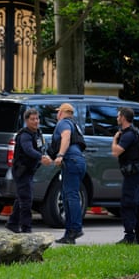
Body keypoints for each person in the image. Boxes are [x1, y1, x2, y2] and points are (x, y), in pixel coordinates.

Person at [6, 109, 52, 233]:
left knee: (22, 197)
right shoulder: (25, 135)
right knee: (26, 199)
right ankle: (26, 229)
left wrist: (48, 155)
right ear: (26, 121)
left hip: (30, 170)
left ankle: (12, 223)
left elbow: (42, 147)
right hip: (22, 171)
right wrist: (41, 158)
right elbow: (28, 150)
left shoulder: (38, 133)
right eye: (33, 119)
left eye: (37, 118)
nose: (36, 121)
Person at [111, 107, 139, 244]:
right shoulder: (133, 132)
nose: (117, 118)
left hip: (132, 175)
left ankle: (129, 236)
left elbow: (116, 152)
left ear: (123, 118)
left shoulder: (128, 135)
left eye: (118, 116)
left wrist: (115, 139)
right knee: (137, 205)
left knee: (128, 204)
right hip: (135, 174)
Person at [51, 103, 86, 244]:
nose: (57, 114)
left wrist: (60, 155)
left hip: (70, 161)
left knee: (70, 196)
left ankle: (76, 228)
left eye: (58, 112)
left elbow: (66, 137)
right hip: (78, 161)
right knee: (67, 196)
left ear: (62, 112)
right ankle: (69, 234)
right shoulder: (75, 124)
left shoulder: (64, 123)